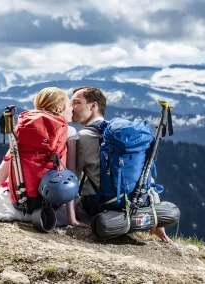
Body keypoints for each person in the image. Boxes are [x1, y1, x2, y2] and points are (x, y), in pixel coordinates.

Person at [0, 87, 87, 227]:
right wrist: (72, 219)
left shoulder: (24, 129)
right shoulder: (69, 132)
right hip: (51, 207)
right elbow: (70, 176)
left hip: (18, 203)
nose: (72, 108)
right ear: (59, 110)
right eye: (69, 105)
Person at [71, 86, 172, 243]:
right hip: (135, 204)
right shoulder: (121, 135)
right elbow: (146, 176)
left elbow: (72, 180)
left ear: (93, 106)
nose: (71, 107)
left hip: (99, 209)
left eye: (76, 102)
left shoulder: (81, 138)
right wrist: (159, 225)